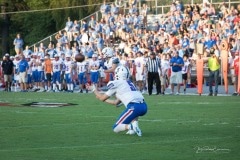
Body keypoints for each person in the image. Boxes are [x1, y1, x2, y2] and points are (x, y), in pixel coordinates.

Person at [89, 65, 147, 136]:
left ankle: (131, 127)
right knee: (133, 114)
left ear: (117, 74)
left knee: (115, 128)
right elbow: (116, 102)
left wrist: (94, 89)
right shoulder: (129, 83)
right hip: (144, 106)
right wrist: (103, 99)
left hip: (134, 106)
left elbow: (102, 98)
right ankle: (133, 130)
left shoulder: (116, 83)